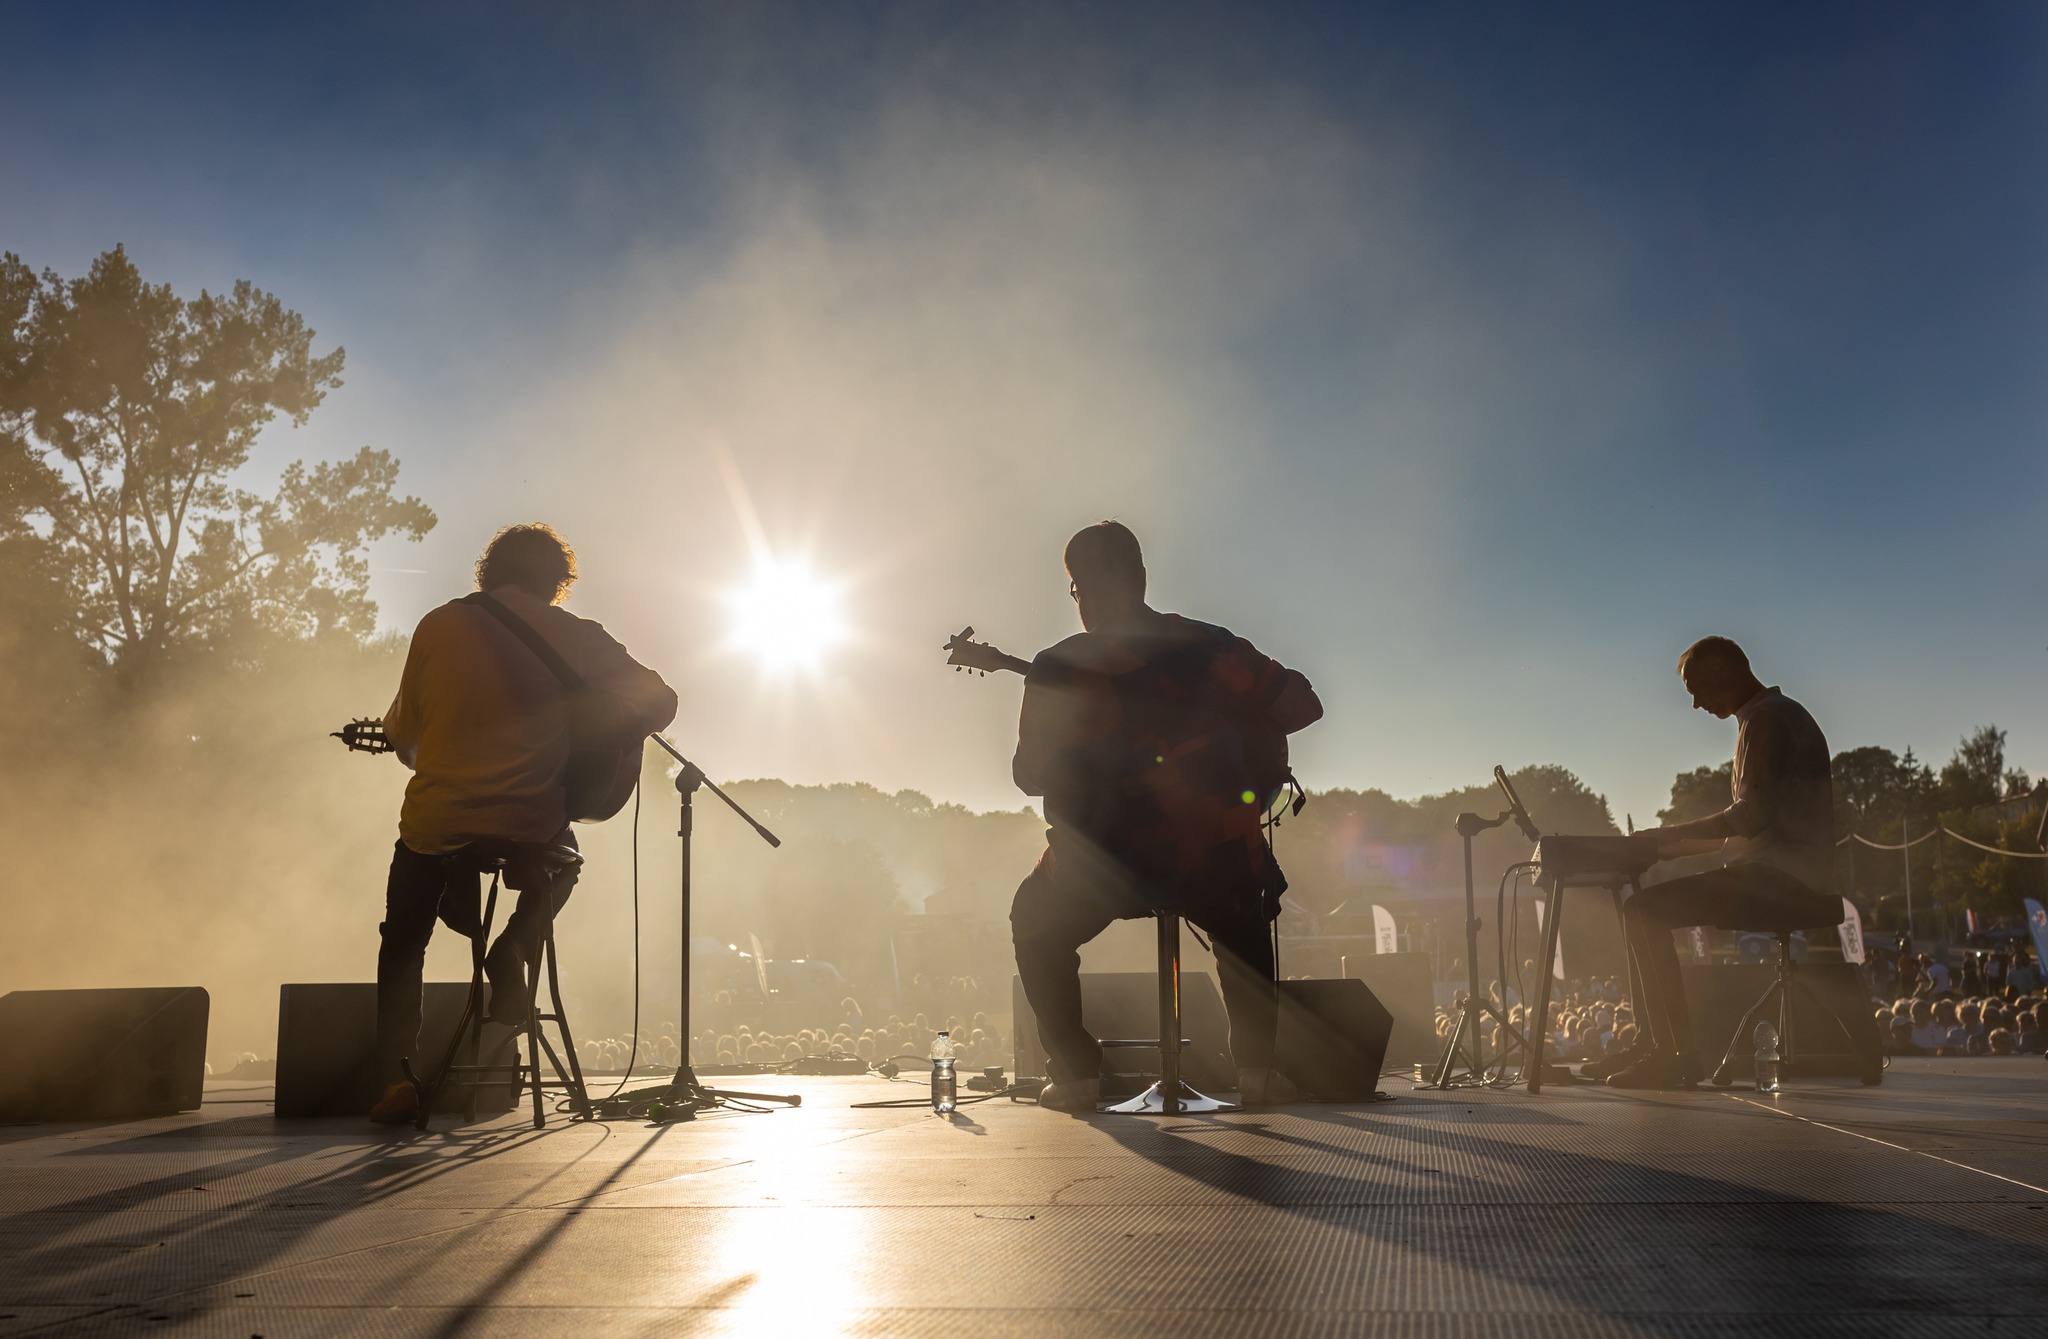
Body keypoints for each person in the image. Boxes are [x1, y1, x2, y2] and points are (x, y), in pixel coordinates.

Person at [368, 524, 677, 1123]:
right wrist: (600, 728)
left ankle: (396, 1079)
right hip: (531, 825)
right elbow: (661, 700)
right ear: (557, 581)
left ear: (490, 570)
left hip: (437, 825)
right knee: (567, 862)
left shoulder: (436, 625)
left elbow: (404, 738)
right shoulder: (578, 636)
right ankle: (512, 945)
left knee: (403, 941)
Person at [1009, 521, 1323, 1111]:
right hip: (1215, 854)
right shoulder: (1210, 646)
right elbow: (1302, 705)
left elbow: (1029, 776)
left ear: (1081, 591)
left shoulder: (1058, 665)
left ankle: (1075, 1077)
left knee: (1032, 918)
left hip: (1104, 865)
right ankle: (1257, 1073)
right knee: (1243, 913)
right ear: (1142, 577)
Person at [1600, 637, 1845, 1090]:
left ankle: (1672, 1056)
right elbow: (1748, 831)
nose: (1695, 703)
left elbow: (1748, 818)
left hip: (1782, 881)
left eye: (1695, 688)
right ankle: (1652, 1044)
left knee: (1642, 911)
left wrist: (1669, 833)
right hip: (1783, 875)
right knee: (1643, 909)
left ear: (1722, 671)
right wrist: (1666, 849)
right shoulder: (1766, 717)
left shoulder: (1768, 718)